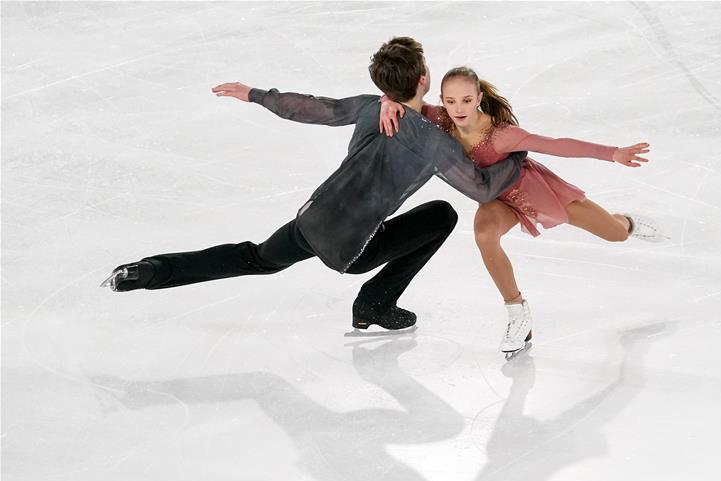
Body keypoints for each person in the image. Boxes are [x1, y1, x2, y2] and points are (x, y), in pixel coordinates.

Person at [101, 39, 526, 332]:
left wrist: (254, 94)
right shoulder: (434, 143)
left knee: (255, 258)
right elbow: (483, 190)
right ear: (422, 81)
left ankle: (149, 271)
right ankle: (374, 302)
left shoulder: (369, 106)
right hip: (355, 249)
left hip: (312, 221)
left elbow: (308, 108)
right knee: (442, 215)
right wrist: (517, 153)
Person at [379, 66, 663, 356]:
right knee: (485, 235)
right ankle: (517, 314)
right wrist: (386, 101)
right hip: (497, 202)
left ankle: (626, 222)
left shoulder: (501, 135)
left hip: (533, 193)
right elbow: (404, 103)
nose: (458, 108)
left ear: (478, 97)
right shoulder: (439, 119)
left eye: (466, 100)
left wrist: (612, 153)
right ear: (442, 100)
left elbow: (555, 145)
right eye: (450, 101)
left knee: (615, 235)